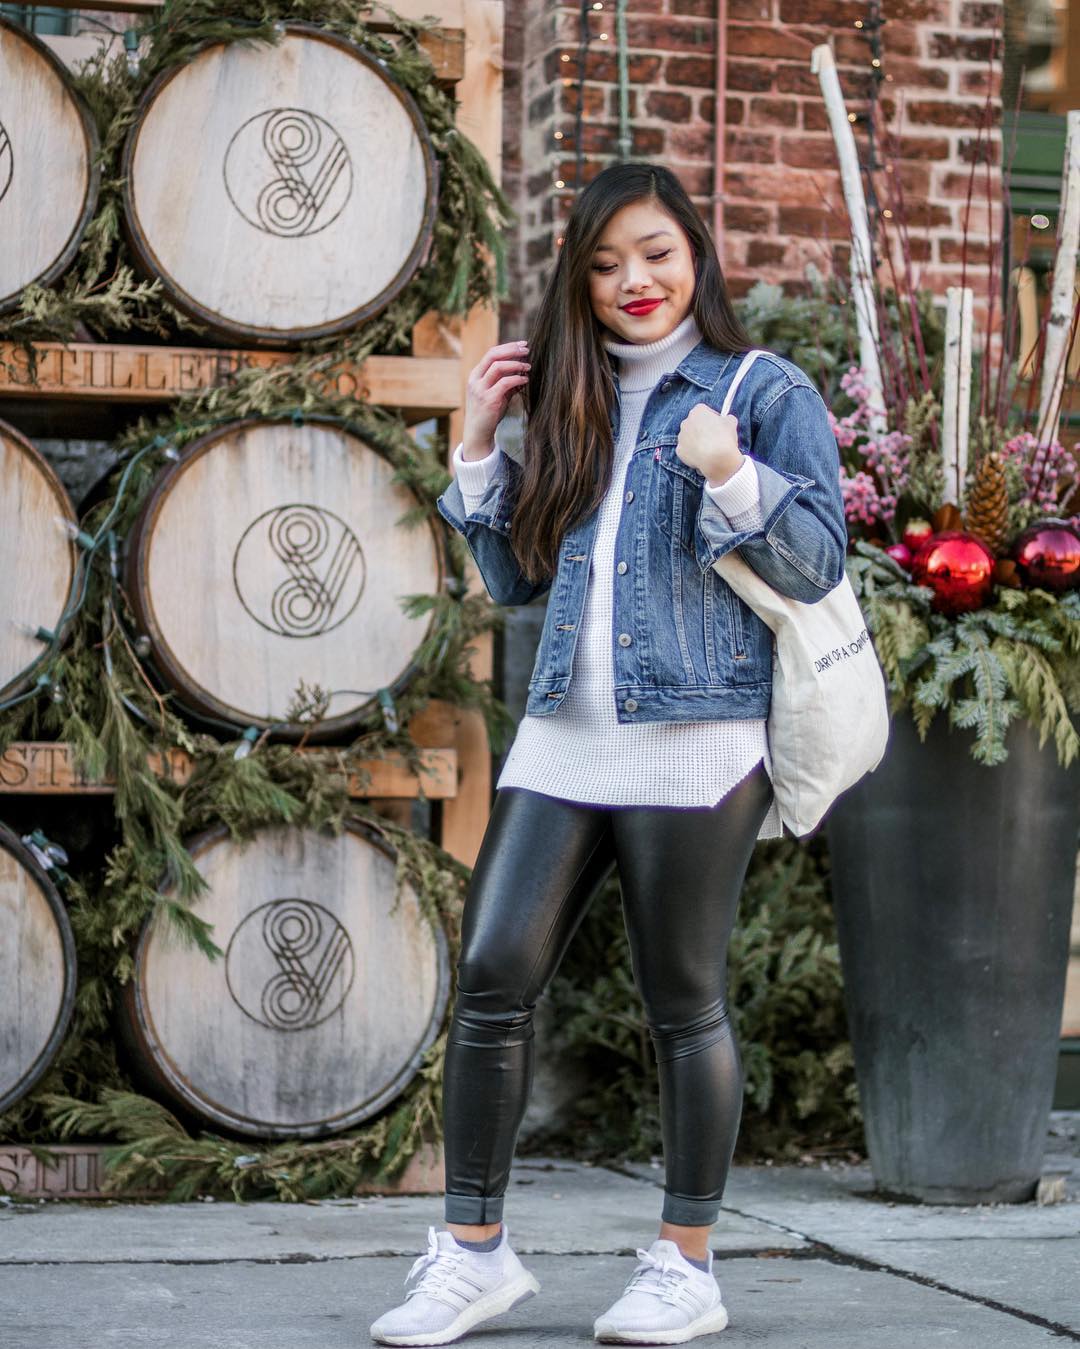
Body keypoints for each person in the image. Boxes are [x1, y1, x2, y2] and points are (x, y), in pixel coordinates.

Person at [370, 161, 846, 1347]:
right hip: (564, 735)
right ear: (580, 282)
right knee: (492, 971)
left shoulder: (759, 387)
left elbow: (822, 561)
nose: (633, 280)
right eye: (604, 262)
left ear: (696, 255)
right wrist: (480, 446)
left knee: (682, 997)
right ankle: (473, 1252)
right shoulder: (574, 399)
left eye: (655, 253)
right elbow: (518, 575)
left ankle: (687, 1262)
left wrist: (734, 471)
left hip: (699, 735)